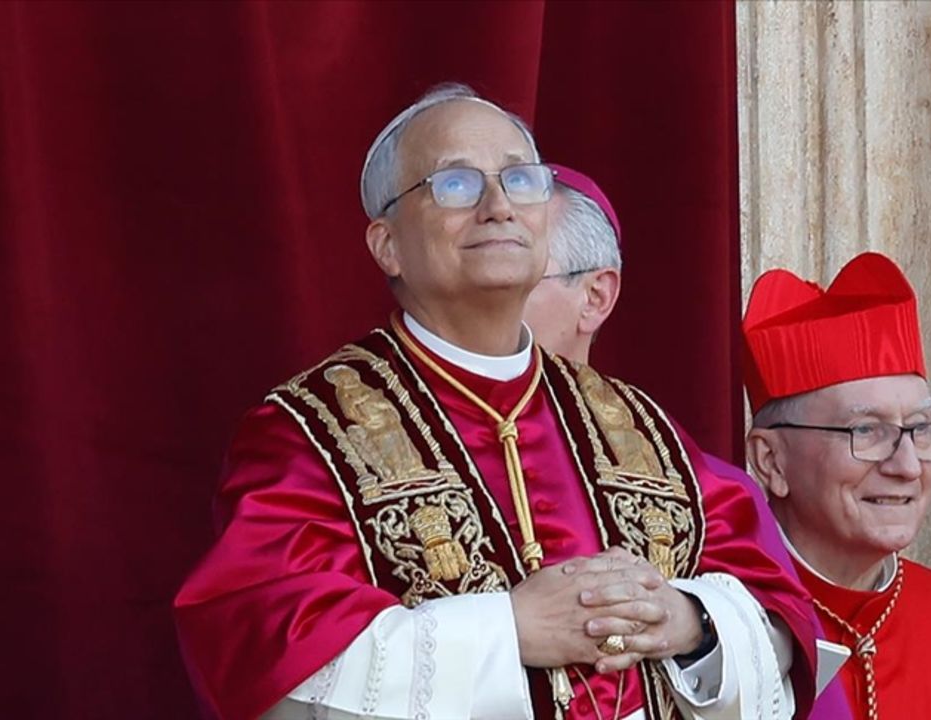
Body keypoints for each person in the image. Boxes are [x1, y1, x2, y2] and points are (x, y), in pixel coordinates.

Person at [175, 83, 819, 720]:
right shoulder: (308, 431)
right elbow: (270, 657)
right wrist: (507, 631)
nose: (498, 206)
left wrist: (687, 621)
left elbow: (776, 616)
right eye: (455, 184)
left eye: (520, 180)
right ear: (387, 245)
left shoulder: (636, 423)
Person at [524, 167, 853, 720]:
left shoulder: (697, 483)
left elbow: (788, 653)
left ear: (595, 296)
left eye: (521, 271)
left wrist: (691, 622)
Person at [741, 252, 931, 719]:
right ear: (771, 462)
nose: (907, 465)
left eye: (919, 428)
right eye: (866, 430)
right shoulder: (712, 631)